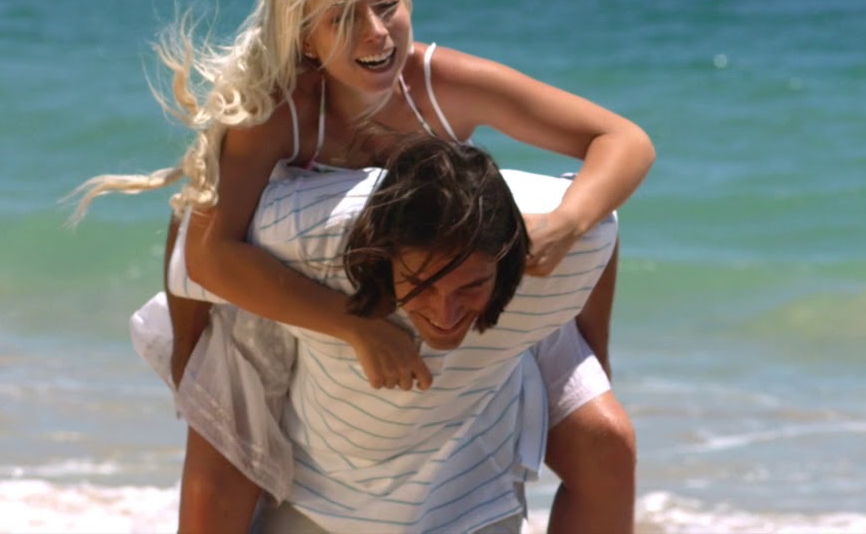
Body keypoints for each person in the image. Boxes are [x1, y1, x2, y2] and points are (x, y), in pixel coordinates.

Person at [70, 0, 655, 533]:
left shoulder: (441, 82)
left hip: (453, 289)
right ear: (305, 37)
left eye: (386, 5)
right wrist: (349, 327)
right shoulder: (278, 112)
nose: (377, 33)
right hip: (293, 302)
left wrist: (567, 223)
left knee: (608, 444)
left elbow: (623, 141)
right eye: (344, 17)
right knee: (219, 485)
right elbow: (206, 249)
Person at [131, 135, 621, 533]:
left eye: (470, 286)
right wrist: (188, 364)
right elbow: (195, 225)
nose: (446, 312)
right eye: (423, 285)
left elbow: (603, 225)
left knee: (610, 441)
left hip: (474, 505)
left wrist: (593, 354)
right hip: (316, 508)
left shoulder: (546, 233)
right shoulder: (311, 239)